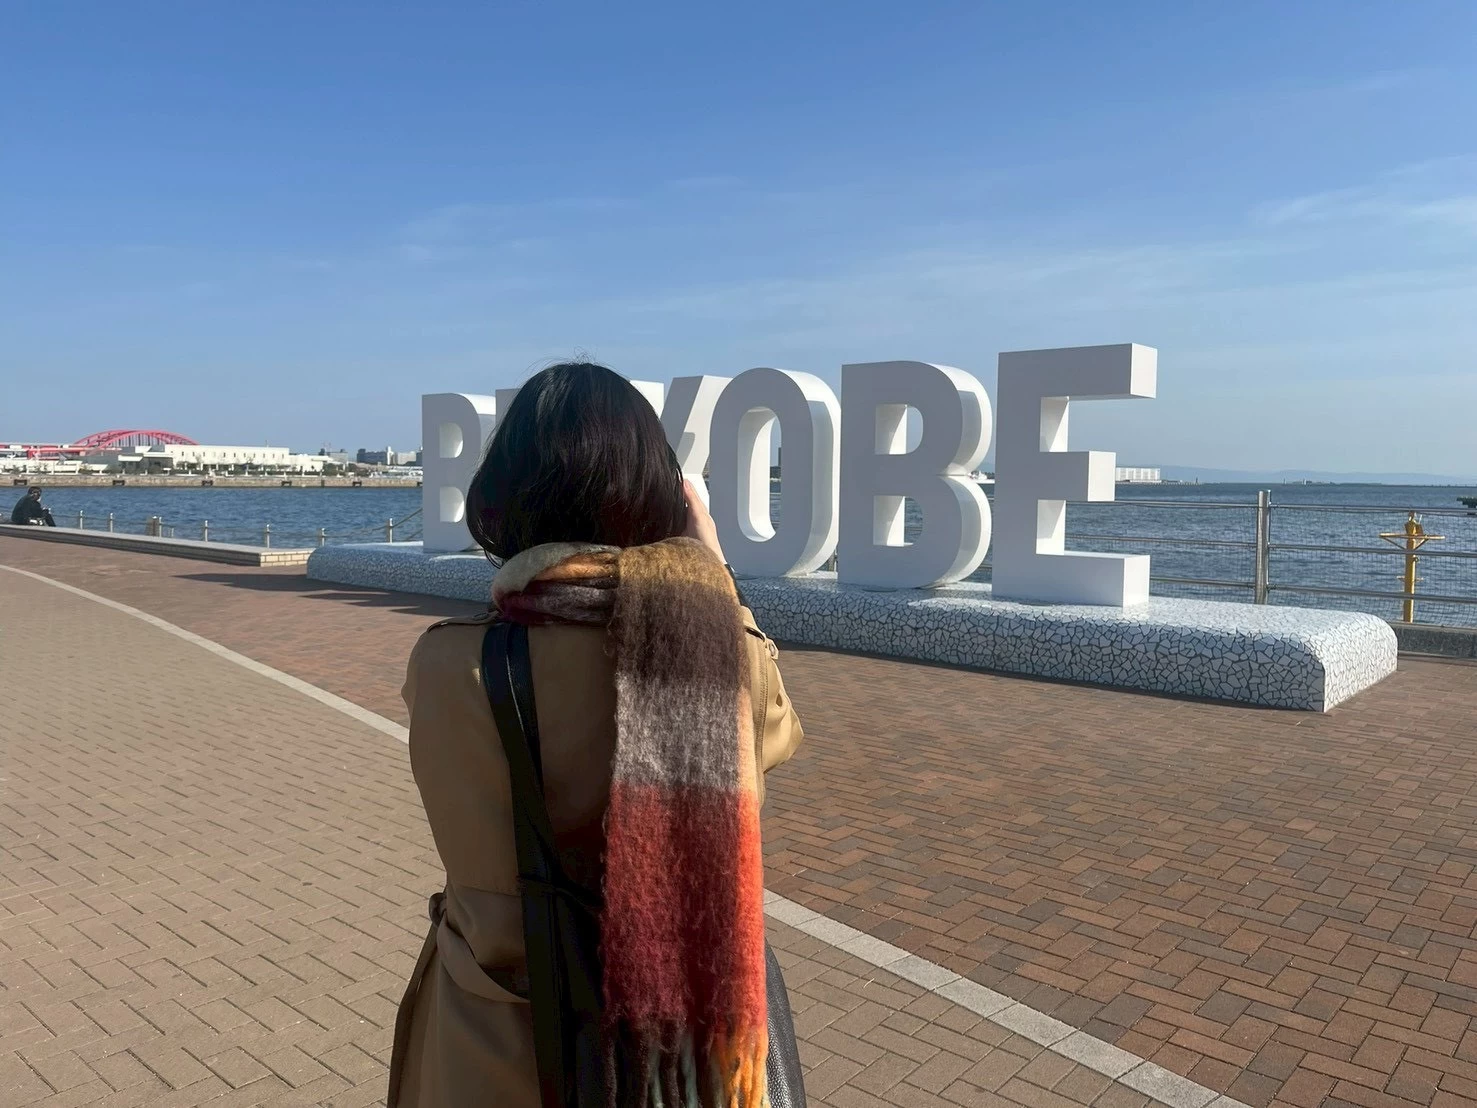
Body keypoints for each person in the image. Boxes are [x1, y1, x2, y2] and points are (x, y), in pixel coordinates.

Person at [388, 362, 804, 1108]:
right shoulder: (712, 655)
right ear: (660, 494)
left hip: (488, 1031)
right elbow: (777, 738)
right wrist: (715, 578)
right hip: (678, 1046)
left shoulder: (450, 661)